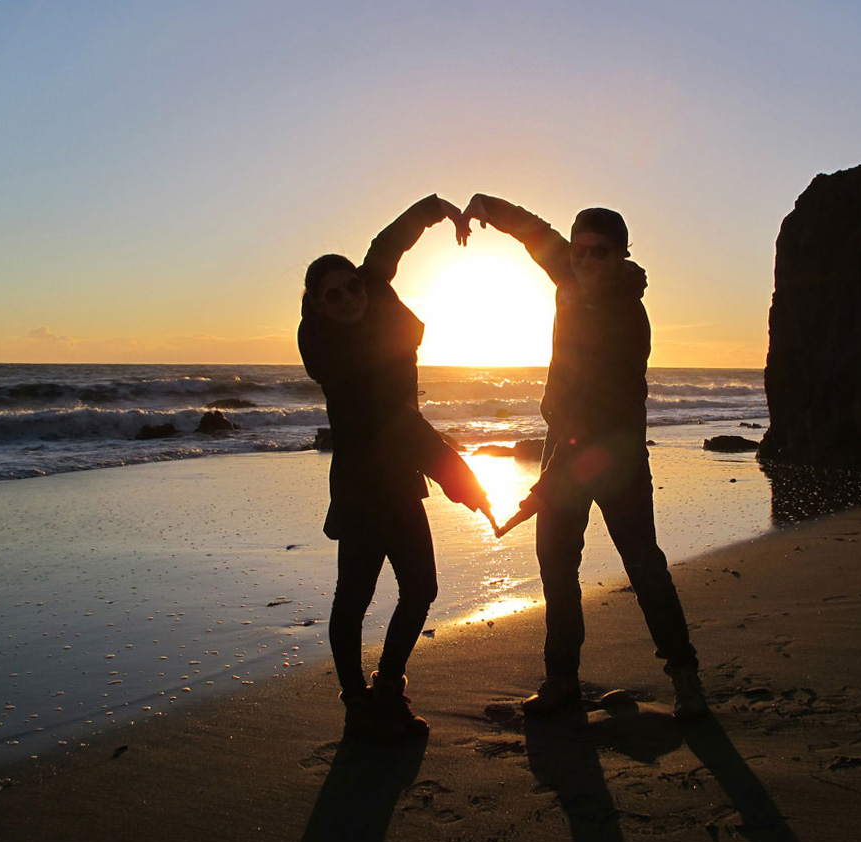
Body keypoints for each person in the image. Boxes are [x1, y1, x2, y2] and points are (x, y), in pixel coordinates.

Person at [462, 194, 708, 718]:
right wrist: (482, 206)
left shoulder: (628, 319)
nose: (587, 262)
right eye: (580, 253)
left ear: (622, 255)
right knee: (556, 566)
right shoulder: (569, 276)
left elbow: (598, 418)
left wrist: (547, 484)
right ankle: (561, 680)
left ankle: (684, 673)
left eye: (600, 253)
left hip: (613, 456)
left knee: (644, 566)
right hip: (563, 446)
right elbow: (534, 231)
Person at [298, 194, 493, 740]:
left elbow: (385, 248)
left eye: (353, 285)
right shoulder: (340, 357)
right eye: (332, 295)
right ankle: (359, 702)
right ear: (318, 305)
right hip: (364, 493)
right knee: (353, 601)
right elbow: (404, 426)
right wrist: (462, 481)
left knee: (420, 589)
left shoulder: (373, 296)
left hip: (399, 484)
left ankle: (386, 688)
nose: (348, 297)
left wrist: (438, 210)